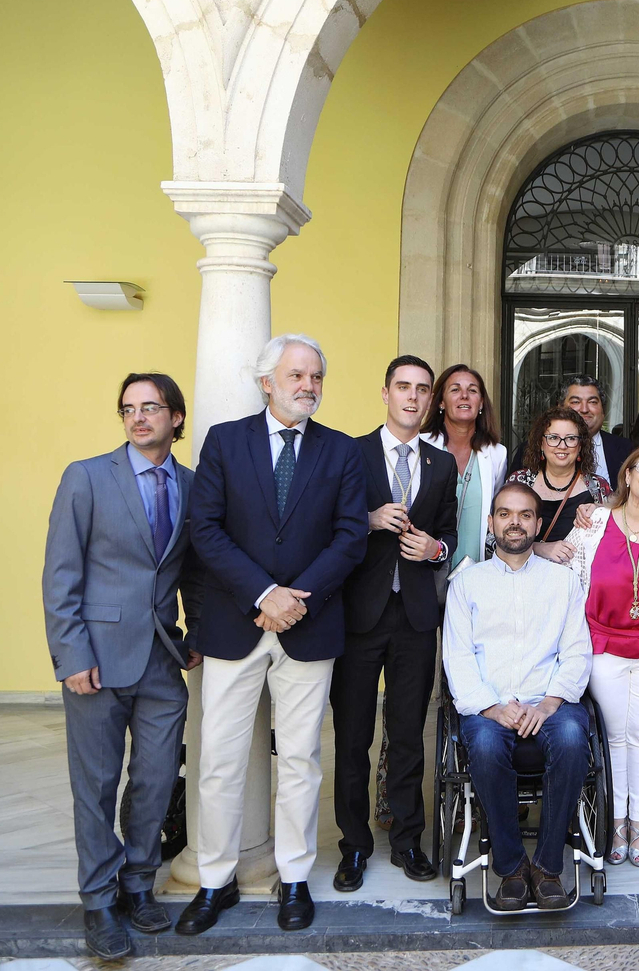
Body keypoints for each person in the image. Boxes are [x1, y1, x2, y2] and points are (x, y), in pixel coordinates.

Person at [181, 334, 367, 935]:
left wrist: (294, 600)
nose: (308, 386)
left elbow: (350, 537)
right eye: (296, 375)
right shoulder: (225, 441)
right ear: (267, 382)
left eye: (316, 377)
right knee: (219, 760)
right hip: (235, 623)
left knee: (301, 760)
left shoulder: (341, 451)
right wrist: (264, 594)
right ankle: (215, 880)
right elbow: (205, 530)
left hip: (308, 627)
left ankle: (293, 877)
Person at [42, 373, 204, 958]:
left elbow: (192, 570)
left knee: (156, 779)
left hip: (162, 660)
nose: (138, 417)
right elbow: (60, 573)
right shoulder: (86, 477)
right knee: (96, 785)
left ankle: (138, 883)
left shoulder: (191, 484)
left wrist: (193, 633)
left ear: (175, 418)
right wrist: (71, 654)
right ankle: (98, 900)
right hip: (97, 660)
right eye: (128, 409)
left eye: (150, 407)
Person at [329, 356, 458, 893]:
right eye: (403, 387)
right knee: (353, 736)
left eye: (422, 389)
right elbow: (326, 523)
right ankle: (354, 846)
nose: (413, 397)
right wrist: (367, 520)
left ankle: (407, 840)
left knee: (407, 734)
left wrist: (435, 549)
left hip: (416, 618)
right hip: (358, 617)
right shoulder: (349, 453)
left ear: (431, 400)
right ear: (385, 393)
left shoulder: (442, 463)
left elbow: (450, 533)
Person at [442, 482, 594, 911]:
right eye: (505, 514)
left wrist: (548, 704)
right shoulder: (467, 584)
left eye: (525, 515)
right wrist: (492, 707)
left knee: (571, 739)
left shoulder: (563, 582)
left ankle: (547, 867)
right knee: (485, 746)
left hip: (550, 702)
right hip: (488, 706)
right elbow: (457, 656)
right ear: (491, 523)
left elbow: (577, 651)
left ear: (538, 524)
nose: (515, 522)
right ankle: (510, 868)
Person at [567, 446, 639, 868]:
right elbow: (564, 568)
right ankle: (616, 822)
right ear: (628, 475)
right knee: (615, 737)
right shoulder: (594, 522)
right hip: (604, 646)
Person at [421, 364, 508, 575]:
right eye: (455, 389)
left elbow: (496, 512)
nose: (464, 396)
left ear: (481, 403)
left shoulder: (497, 453)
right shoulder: (420, 446)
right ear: (441, 402)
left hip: (475, 572)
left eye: (472, 390)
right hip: (425, 568)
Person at [507, 405, 612, 563]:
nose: (562, 446)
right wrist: (538, 548)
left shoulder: (597, 487)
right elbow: (494, 539)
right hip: (526, 575)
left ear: (580, 446)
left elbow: (617, 537)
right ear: (541, 443)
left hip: (579, 577)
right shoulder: (520, 482)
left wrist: (600, 510)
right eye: (553, 438)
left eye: (571, 438)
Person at [508, 375, 633, 489]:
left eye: (592, 402)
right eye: (575, 402)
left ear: (603, 410)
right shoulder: (529, 449)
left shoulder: (626, 450)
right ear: (560, 408)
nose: (584, 409)